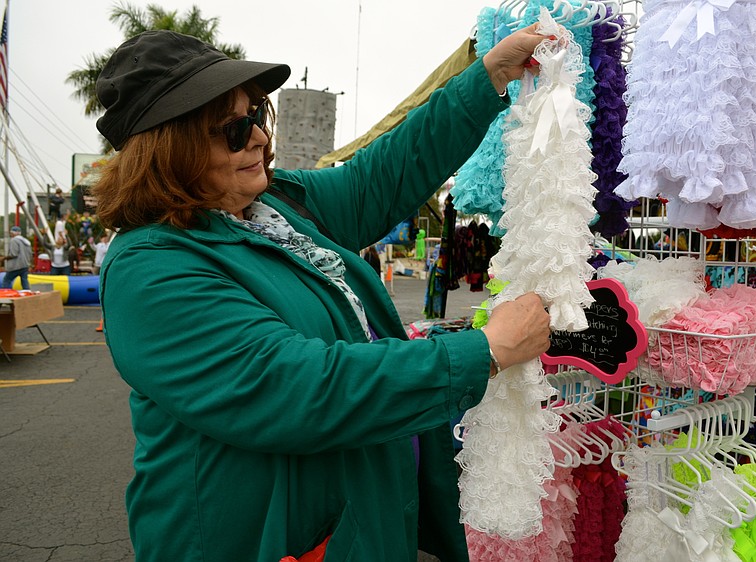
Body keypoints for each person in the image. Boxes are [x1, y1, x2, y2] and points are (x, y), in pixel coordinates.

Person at [93, 28, 550, 562]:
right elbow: (296, 387)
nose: (260, 139)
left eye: (258, 117)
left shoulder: (276, 204)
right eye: (234, 130)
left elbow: (385, 170)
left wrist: (486, 78)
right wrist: (484, 351)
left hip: (351, 524)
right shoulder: (152, 269)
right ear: (170, 149)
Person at [1, 225, 32, 290]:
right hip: (25, 265)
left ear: (13, 233)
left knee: (6, 280)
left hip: (16, 266)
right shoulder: (26, 241)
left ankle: (4, 296)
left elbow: (13, 254)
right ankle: (28, 294)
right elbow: (30, 254)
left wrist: (3, 258)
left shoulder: (14, 240)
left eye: (11, 233)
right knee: (24, 282)